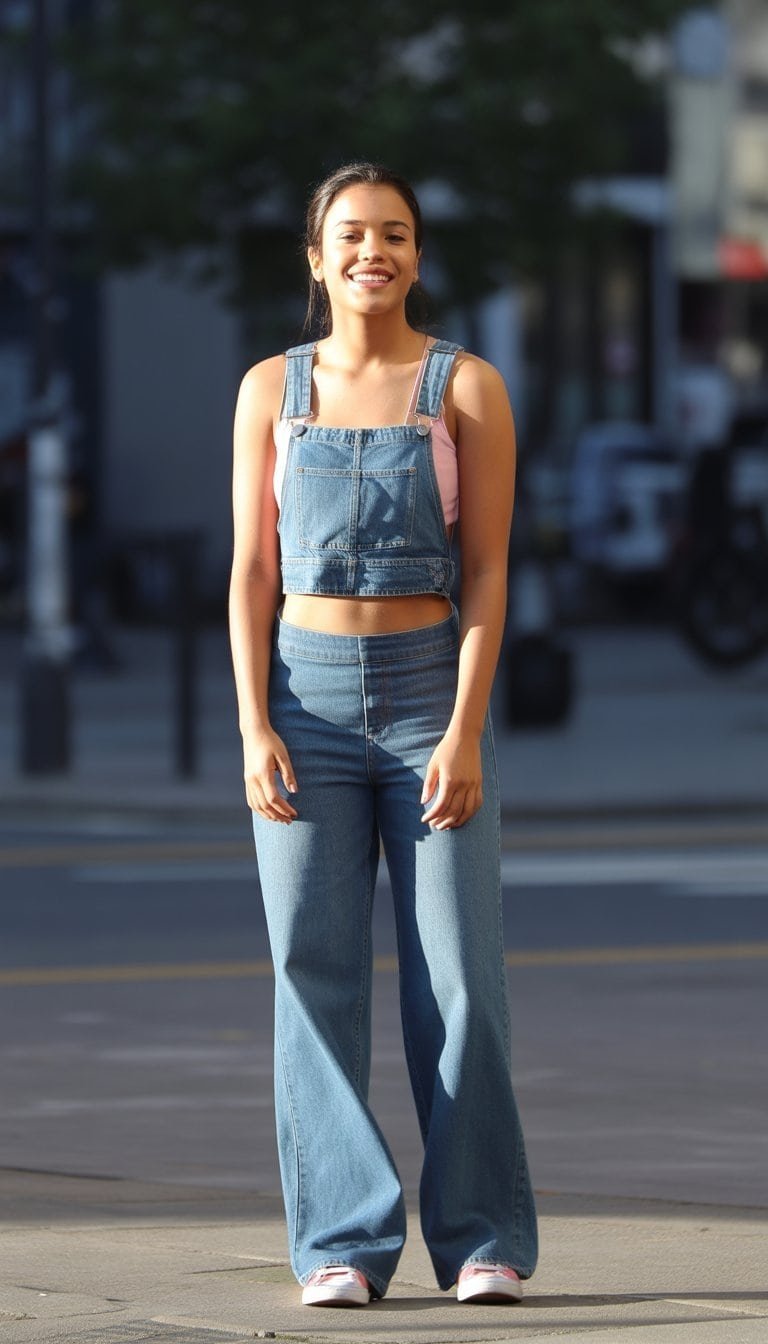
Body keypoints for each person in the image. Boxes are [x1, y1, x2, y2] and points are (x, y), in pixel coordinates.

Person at [228, 162, 538, 1309]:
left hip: (425, 699)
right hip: (301, 698)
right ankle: (340, 1247)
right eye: (352, 234)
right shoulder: (273, 388)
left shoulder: (467, 388)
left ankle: (484, 1240)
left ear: (417, 254)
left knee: (459, 978)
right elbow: (251, 570)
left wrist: (463, 729)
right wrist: (255, 720)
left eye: (395, 233)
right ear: (315, 258)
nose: (375, 251)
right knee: (312, 979)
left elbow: (492, 568)